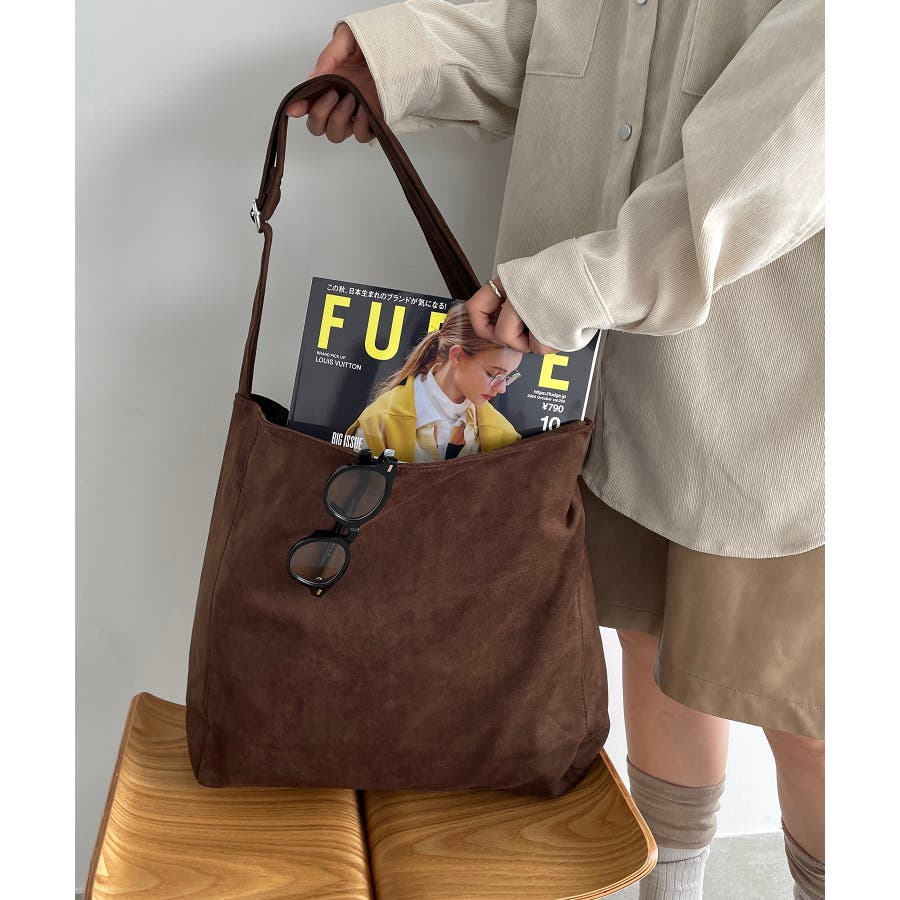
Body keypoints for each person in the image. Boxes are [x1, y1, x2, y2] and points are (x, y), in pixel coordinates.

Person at [289, 3, 825, 898]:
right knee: (651, 652)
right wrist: (398, 58)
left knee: (809, 720)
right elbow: (549, 28)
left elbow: (785, 153)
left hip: (767, 399)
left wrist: (572, 287)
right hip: (598, 378)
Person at [347, 302, 522, 462]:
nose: (502, 389)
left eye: (507, 377)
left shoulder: (506, 437)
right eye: (493, 374)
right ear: (457, 356)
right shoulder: (377, 423)